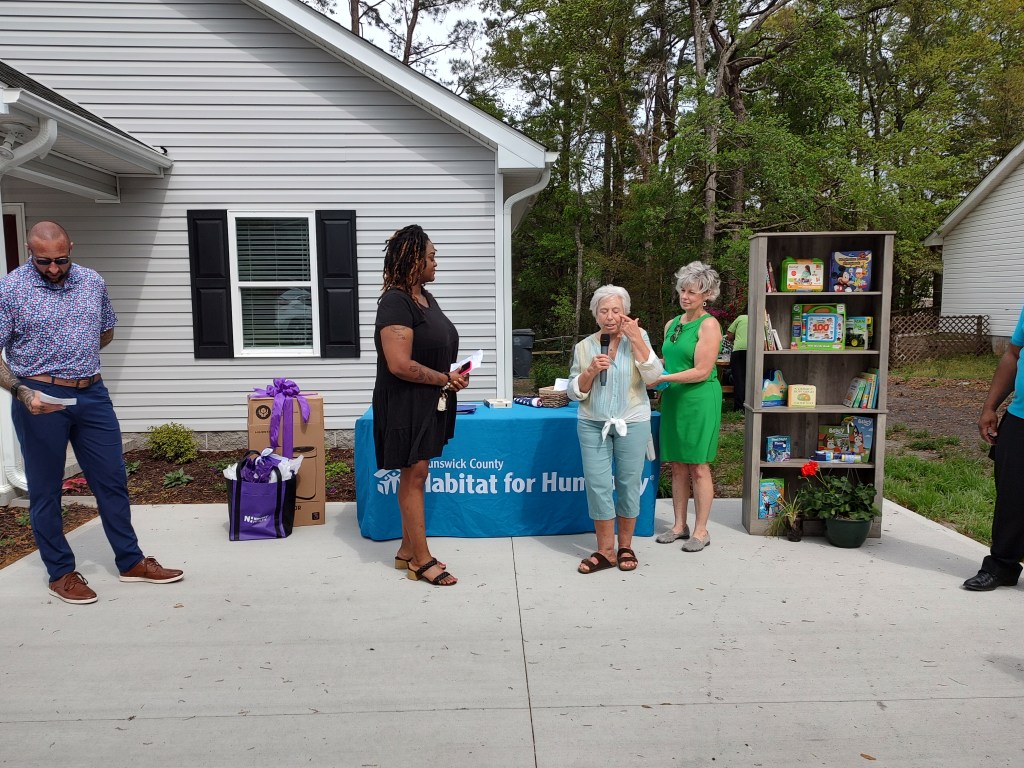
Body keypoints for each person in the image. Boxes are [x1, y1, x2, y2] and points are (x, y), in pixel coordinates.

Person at [0, 221, 183, 605]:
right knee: (46, 489)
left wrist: (75, 350)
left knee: (112, 480)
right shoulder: (11, 289)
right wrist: (21, 391)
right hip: (39, 395)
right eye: (44, 261)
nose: (53, 268)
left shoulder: (92, 282)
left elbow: (106, 330)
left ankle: (130, 561)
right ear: (30, 252)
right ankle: (61, 572)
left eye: (60, 260)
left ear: (71, 248)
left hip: (92, 394)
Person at [373, 224, 469, 587]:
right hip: (405, 401)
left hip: (430, 399)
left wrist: (453, 375)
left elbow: (431, 351)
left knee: (418, 473)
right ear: (413, 259)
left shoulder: (425, 298)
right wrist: (443, 378)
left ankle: (405, 550)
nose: (435, 263)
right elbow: (399, 364)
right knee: (414, 474)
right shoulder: (396, 302)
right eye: (430, 257)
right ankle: (421, 559)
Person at [568, 285, 661, 574]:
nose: (610, 316)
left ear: (626, 313)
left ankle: (626, 546)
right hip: (592, 422)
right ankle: (605, 551)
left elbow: (654, 377)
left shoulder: (639, 337)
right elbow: (574, 392)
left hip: (632, 420)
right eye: (604, 311)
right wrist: (590, 371)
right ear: (595, 315)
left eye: (616, 311)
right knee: (597, 484)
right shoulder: (584, 346)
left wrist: (637, 340)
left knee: (629, 483)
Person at [655, 261, 723, 552]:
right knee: (677, 464)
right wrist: (648, 368)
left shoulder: (709, 325)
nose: (685, 296)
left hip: (699, 400)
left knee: (698, 465)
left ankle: (701, 531)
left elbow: (702, 371)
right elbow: (669, 361)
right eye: (682, 290)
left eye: (692, 292)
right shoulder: (672, 323)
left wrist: (662, 378)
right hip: (674, 399)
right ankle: (679, 526)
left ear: (707, 294)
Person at [964, 306, 1024, 591]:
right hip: (1021, 417)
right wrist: (990, 407)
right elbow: (1013, 354)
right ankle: (1001, 566)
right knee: (1012, 496)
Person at [725, 313, 748, 411]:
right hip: (756, 351)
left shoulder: (741, 318)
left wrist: (734, 340)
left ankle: (739, 407)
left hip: (739, 350)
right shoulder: (762, 318)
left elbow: (729, 335)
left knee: (739, 380)